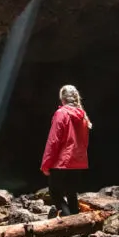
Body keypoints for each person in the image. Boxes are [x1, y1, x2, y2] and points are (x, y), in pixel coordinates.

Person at [41, 84, 92, 216]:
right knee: (71, 193)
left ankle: (68, 220)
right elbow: (84, 143)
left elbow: (54, 141)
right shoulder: (83, 116)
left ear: (62, 99)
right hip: (78, 162)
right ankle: (77, 223)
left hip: (62, 162)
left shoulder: (61, 113)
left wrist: (46, 164)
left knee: (54, 191)